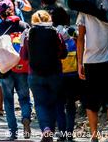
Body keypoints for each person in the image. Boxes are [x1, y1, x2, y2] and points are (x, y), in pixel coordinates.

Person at [76, 0, 108, 142]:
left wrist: (79, 63)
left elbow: (80, 39)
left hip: (90, 62)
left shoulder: (84, 11)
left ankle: (95, 135)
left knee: (91, 101)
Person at [21, 10, 67, 142]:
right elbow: (63, 53)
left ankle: (46, 129)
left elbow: (23, 56)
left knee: (40, 104)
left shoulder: (28, 33)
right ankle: (63, 133)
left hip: (34, 74)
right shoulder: (55, 32)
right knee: (57, 103)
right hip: (55, 73)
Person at [0, 0, 32, 140]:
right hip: (23, 67)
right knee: (24, 97)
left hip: (6, 69)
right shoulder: (24, 25)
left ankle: (12, 131)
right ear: (12, 10)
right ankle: (26, 119)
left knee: (8, 100)